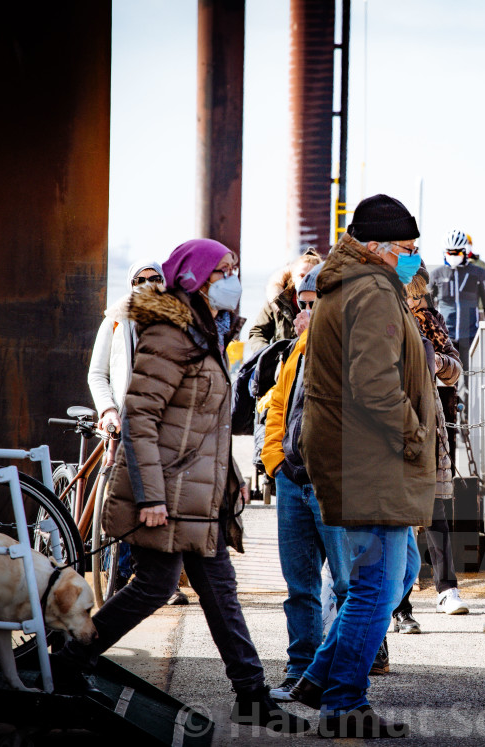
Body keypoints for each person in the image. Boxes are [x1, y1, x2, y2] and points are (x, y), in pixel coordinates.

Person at [60, 239, 309, 734]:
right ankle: (68, 661)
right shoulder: (171, 336)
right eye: (224, 271)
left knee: (219, 591)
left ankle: (252, 695)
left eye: (235, 268)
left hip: (197, 494)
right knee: (154, 585)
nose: (234, 278)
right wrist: (150, 497)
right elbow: (140, 419)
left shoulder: (203, 332)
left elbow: (208, 424)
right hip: (168, 494)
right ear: (195, 278)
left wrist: (232, 479)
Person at [290, 194, 431, 739]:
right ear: (376, 248)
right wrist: (413, 434)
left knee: (375, 582)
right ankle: (344, 702)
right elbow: (374, 383)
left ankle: (318, 679)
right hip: (372, 459)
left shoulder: (351, 285)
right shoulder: (371, 292)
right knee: (378, 586)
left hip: (356, 456)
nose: (414, 259)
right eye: (407, 249)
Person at [259, 263, 355, 700]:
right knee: (300, 588)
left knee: (347, 584)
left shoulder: (351, 348)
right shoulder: (297, 347)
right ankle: (300, 670)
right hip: (293, 482)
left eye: (318, 304)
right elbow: (278, 403)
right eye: (305, 303)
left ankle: (337, 673)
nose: (307, 311)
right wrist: (274, 459)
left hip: (333, 484)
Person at [87, 259, 189, 605]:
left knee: (163, 500)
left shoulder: (177, 320)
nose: (147, 284)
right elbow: (97, 374)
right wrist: (108, 409)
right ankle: (122, 573)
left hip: (165, 426)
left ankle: (160, 579)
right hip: (126, 423)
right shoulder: (115, 320)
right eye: (140, 279)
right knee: (128, 499)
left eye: (154, 277)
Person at [392, 265, 468, 633]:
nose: (418, 302)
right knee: (395, 519)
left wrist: (439, 362)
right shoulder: (380, 323)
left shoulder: (431, 323)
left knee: (436, 509)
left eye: (421, 296)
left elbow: (455, 367)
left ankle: (446, 588)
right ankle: (400, 606)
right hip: (390, 429)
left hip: (430, 424)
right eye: (413, 295)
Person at [431, 228, 485, 366]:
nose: (454, 255)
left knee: (471, 382)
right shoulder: (437, 274)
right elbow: (427, 305)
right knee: (447, 383)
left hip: (471, 336)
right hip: (445, 337)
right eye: (450, 252)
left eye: (458, 252)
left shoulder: (478, 273)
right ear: (444, 252)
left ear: (465, 251)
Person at [245, 249, 321, 356]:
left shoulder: (324, 303)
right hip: (280, 365)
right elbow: (257, 333)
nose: (305, 281)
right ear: (293, 277)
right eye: (302, 276)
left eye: (310, 276)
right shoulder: (276, 300)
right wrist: (269, 356)